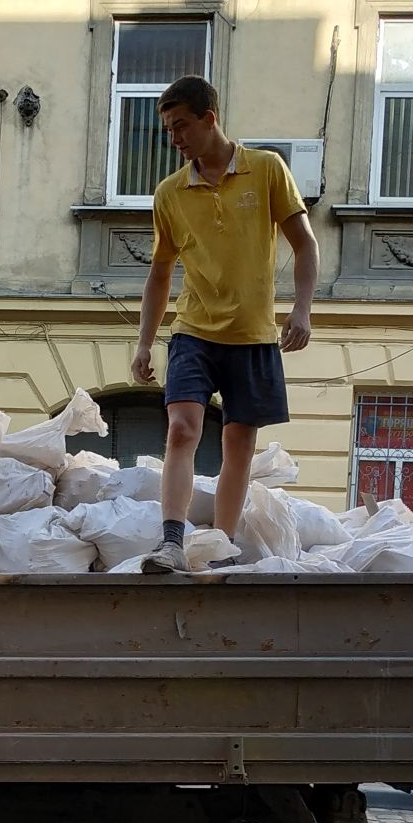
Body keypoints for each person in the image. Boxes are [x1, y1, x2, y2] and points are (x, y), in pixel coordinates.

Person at [131, 76, 320, 574]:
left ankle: (220, 544)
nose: (174, 138)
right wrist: (144, 343)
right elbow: (159, 272)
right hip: (193, 329)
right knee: (181, 428)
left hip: (254, 334)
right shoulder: (170, 193)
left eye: (181, 126)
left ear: (209, 118)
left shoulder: (266, 169)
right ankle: (171, 542)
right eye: (168, 130)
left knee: (239, 442)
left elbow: (305, 243)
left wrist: (301, 310)